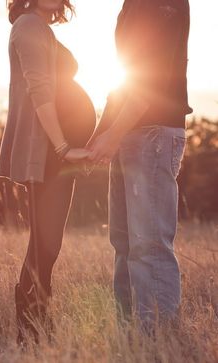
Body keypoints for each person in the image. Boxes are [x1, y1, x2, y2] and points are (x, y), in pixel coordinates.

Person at [88, 0, 193, 331]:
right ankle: (130, 335)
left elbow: (149, 78)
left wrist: (112, 135)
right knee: (124, 243)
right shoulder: (131, 5)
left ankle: (158, 340)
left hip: (153, 135)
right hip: (128, 133)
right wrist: (98, 137)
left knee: (149, 244)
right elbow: (124, 79)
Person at [0, 0, 90, 345]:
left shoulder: (40, 27)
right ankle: (30, 331)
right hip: (47, 152)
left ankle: (35, 326)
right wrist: (64, 146)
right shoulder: (28, 26)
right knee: (45, 245)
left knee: (46, 244)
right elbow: (39, 90)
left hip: (55, 154)